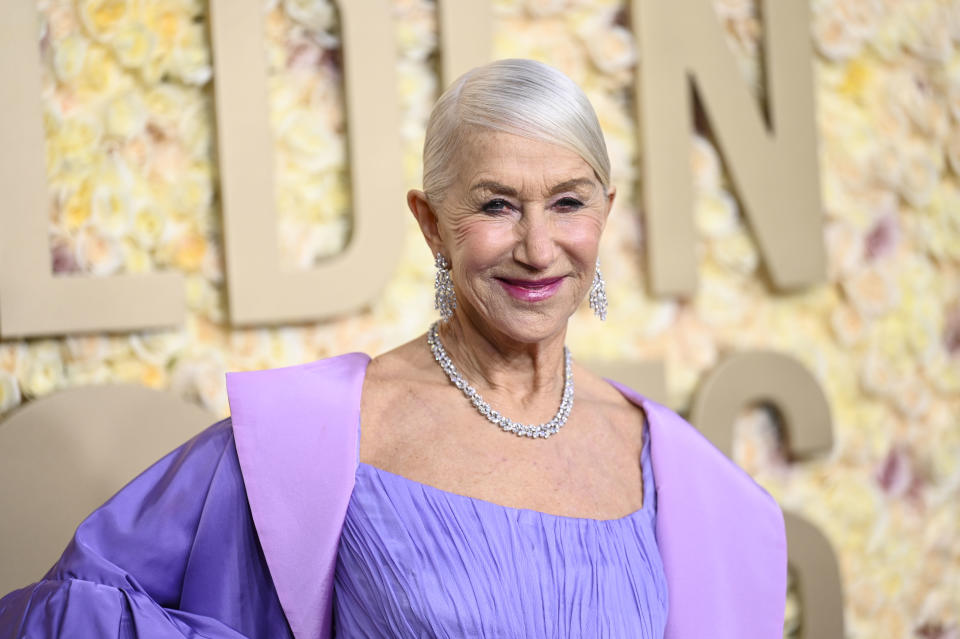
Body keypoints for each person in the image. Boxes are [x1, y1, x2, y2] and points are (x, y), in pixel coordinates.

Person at [0, 59, 786, 638]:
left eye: (568, 202)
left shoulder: (677, 470)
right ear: (430, 223)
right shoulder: (314, 436)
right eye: (497, 205)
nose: (539, 247)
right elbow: (79, 609)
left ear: (604, 215)